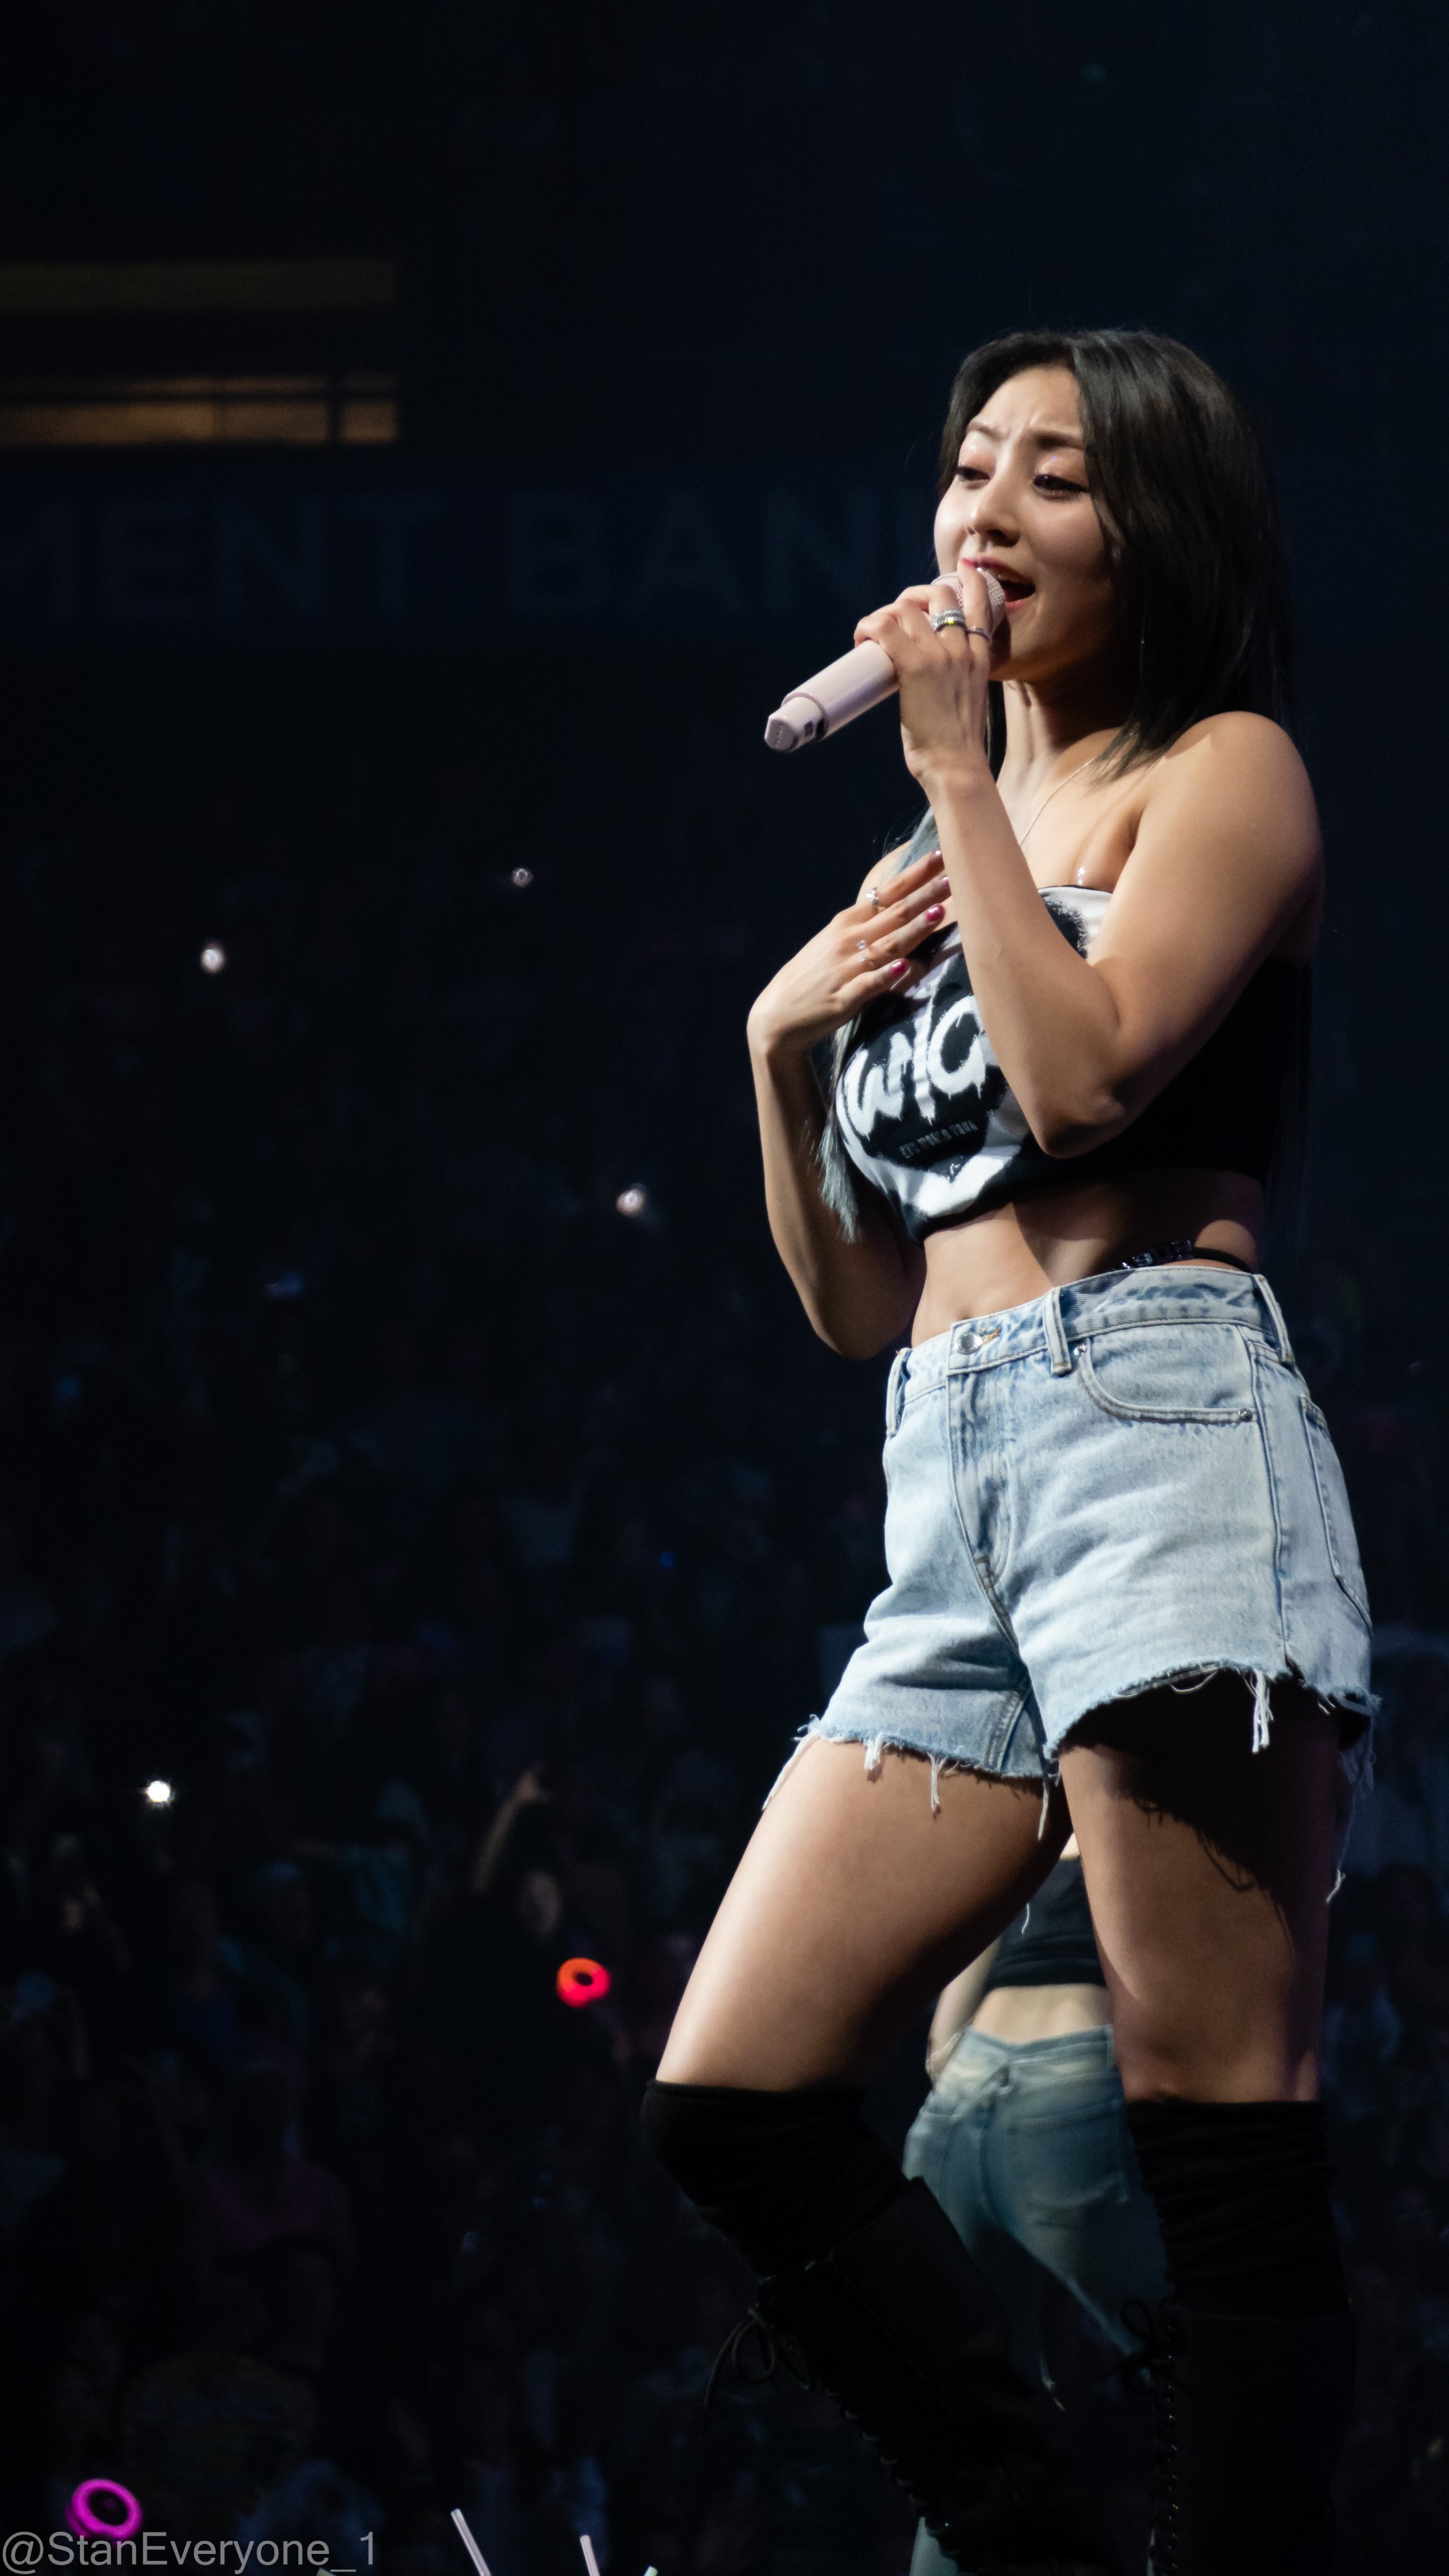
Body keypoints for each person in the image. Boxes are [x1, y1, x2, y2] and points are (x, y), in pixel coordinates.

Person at [640, 328, 1374, 2575]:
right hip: (945, 1468)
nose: (987, 509)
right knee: (734, 2097)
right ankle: (1036, 2540)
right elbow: (863, 1296)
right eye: (971, 465)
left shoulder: (1222, 772)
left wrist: (963, 779)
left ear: (1154, 532)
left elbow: (1082, 1091)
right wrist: (778, 1050)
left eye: (1054, 474)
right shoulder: (929, 841)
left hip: (1157, 1424)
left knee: (1212, 2123)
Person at [904, 1841, 1166, 2576]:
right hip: (1071, 2083)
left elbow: (940, 2044)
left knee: (976, 2448)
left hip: (950, 2117)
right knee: (1223, 2399)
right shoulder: (1167, 1802)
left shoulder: (1030, 1820)